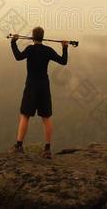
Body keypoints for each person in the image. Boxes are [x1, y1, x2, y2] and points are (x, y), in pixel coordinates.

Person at [9, 27, 68, 159]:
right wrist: (64, 47)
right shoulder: (48, 51)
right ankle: (47, 149)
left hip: (31, 85)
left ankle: (19, 146)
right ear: (43, 36)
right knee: (46, 117)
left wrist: (13, 43)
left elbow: (18, 57)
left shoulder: (30, 50)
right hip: (44, 86)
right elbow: (63, 61)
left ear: (33, 36)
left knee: (25, 115)